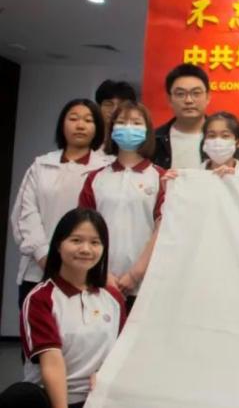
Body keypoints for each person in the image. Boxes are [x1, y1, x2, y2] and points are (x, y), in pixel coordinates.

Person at [0, 208, 125, 408]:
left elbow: (123, 351)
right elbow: (52, 364)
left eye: (95, 242)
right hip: (51, 401)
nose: (86, 249)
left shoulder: (113, 298)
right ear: (58, 245)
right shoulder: (41, 298)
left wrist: (107, 374)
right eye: (76, 240)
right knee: (16, 401)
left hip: (92, 403)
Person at [10, 99, 111, 309]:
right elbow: (25, 215)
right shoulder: (41, 165)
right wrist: (46, 258)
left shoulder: (106, 168)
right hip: (39, 271)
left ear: (98, 128)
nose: (80, 125)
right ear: (62, 125)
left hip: (89, 273)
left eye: (88, 120)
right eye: (73, 119)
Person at [78, 101, 165, 305]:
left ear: (147, 131)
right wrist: (102, 272)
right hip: (99, 280)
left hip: (145, 284)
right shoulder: (95, 178)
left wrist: (136, 274)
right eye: (122, 122)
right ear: (112, 129)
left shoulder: (160, 177)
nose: (128, 128)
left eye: (136, 123)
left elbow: (163, 229)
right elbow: (83, 228)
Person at [153, 64, 216, 170]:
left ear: (208, 97)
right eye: (180, 94)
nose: (189, 100)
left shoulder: (226, 138)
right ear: (169, 99)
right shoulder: (155, 139)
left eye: (196, 93)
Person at [200, 111, 239, 178]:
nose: (217, 142)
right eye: (212, 135)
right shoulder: (193, 176)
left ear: (238, 143)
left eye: (225, 136)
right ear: (204, 141)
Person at [94, 79, 136, 148]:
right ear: (98, 107)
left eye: (121, 105)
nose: (114, 110)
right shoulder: (90, 140)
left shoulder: (137, 141)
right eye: (108, 104)